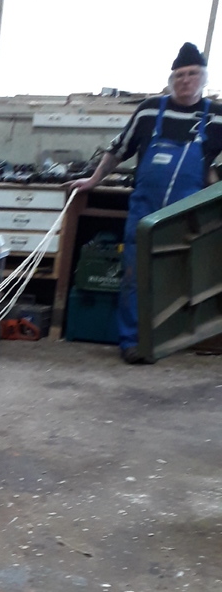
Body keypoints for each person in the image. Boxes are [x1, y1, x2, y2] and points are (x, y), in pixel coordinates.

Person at [71, 43, 222, 364]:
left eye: (192, 73)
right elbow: (118, 149)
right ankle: (132, 342)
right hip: (145, 210)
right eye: (179, 75)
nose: (185, 80)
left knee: (182, 277)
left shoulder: (217, 116)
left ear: (203, 77)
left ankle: (173, 339)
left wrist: (214, 176)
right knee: (135, 277)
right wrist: (93, 180)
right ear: (171, 80)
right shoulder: (150, 109)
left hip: (188, 215)